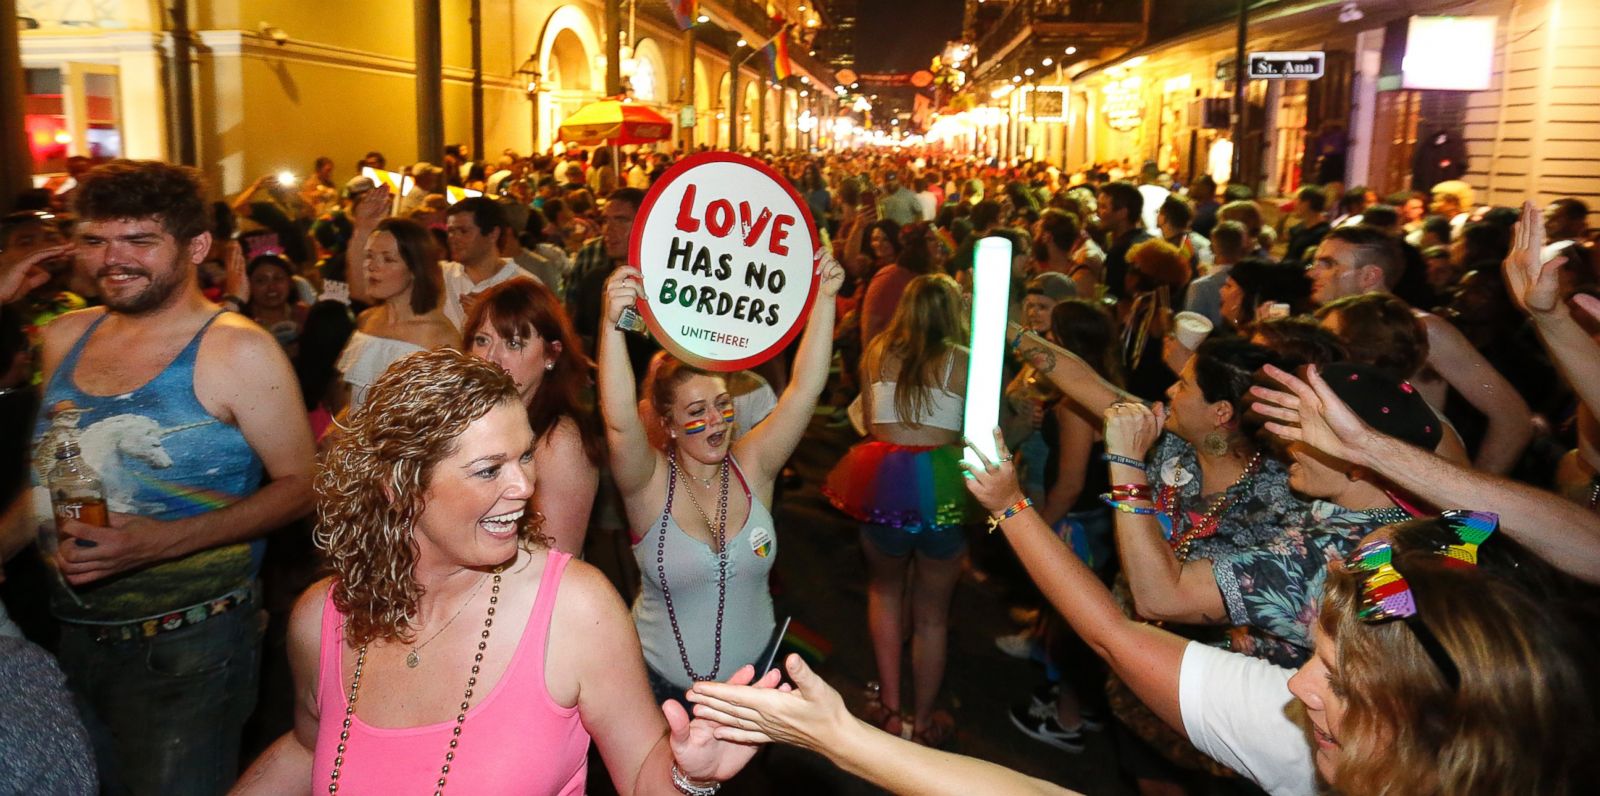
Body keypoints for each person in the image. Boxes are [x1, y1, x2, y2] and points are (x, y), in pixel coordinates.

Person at [233, 348, 775, 793]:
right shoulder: (321, 619)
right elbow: (309, 747)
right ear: (399, 489)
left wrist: (689, 775)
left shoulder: (574, 610)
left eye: (524, 457)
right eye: (489, 469)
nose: (523, 487)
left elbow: (640, 775)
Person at [4, 159, 315, 793]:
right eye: (94, 241)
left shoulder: (238, 349)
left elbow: (304, 484)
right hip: (69, 638)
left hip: (190, 649)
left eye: (139, 241)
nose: (112, 261)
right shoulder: (64, 336)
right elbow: (49, 480)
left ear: (196, 246)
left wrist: (158, 542)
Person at [597, 251, 843, 708]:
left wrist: (825, 299)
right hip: (659, 693)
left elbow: (804, 390)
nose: (717, 421)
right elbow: (618, 426)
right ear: (667, 423)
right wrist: (612, 326)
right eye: (697, 411)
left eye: (723, 405)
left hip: (758, 689)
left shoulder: (754, 465)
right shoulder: (648, 484)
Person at [824, 274, 974, 747]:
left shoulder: (876, 352)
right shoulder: (964, 360)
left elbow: (871, 422)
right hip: (944, 490)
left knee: (884, 593)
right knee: (933, 614)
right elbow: (979, 429)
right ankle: (924, 718)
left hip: (884, 485)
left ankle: (889, 708)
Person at [1305, 225, 1532, 473]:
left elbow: (1513, 418)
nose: (1312, 273)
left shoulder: (1423, 329)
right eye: (1315, 263)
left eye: (1328, 264)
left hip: (1408, 491)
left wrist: (1474, 498)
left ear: (1369, 276)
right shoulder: (1327, 326)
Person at [464, 279, 602, 556]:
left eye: (513, 343)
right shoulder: (471, 423)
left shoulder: (559, 441)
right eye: (482, 340)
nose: (491, 357)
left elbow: (556, 564)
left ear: (551, 354)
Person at [336, 217, 457, 411]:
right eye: (369, 256)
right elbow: (353, 398)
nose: (372, 266)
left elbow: (442, 419)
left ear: (415, 269)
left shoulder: (440, 336)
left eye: (388, 259)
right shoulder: (366, 319)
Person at [438, 197, 537, 330]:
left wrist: (488, 318)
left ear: (493, 234)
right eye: (450, 231)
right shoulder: (439, 275)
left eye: (463, 231)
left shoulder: (524, 286)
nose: (453, 239)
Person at [243, 253, 309, 354]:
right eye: (261, 281)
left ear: (290, 283)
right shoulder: (242, 324)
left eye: (278, 279)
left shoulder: (306, 316)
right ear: (248, 285)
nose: (271, 287)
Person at [1096, 181, 1151, 299]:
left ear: (1122, 213)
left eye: (1103, 207)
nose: (1098, 213)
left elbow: (1113, 300)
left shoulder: (1120, 252)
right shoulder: (1150, 241)